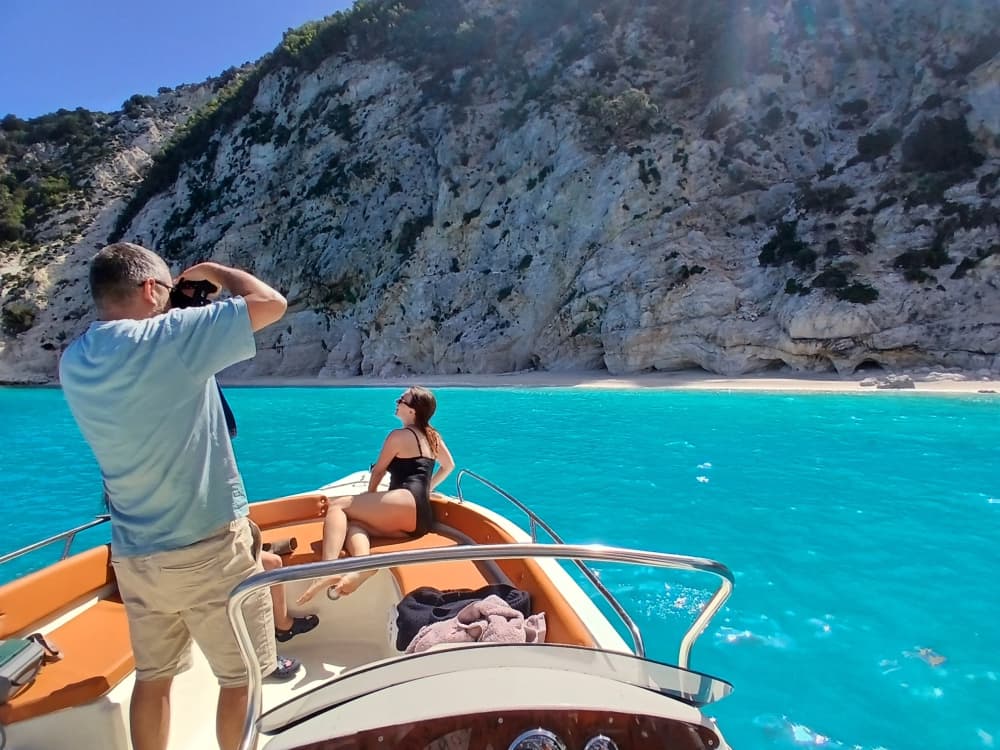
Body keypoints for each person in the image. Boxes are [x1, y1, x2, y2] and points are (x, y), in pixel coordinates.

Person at [59, 242, 292, 750]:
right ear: (148, 288)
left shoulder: (75, 361)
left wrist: (177, 311)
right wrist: (215, 272)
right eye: (164, 291)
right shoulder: (171, 337)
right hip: (209, 547)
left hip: (136, 554)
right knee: (240, 678)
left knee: (154, 676)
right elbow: (271, 303)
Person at [297, 386, 455, 602]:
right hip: (421, 520)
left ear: (412, 411)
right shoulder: (432, 436)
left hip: (403, 500)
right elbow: (448, 466)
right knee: (354, 525)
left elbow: (379, 471)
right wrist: (427, 489)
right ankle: (363, 566)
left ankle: (328, 568)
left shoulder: (399, 435)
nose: (397, 401)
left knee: (338, 506)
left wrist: (368, 497)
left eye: (403, 399)